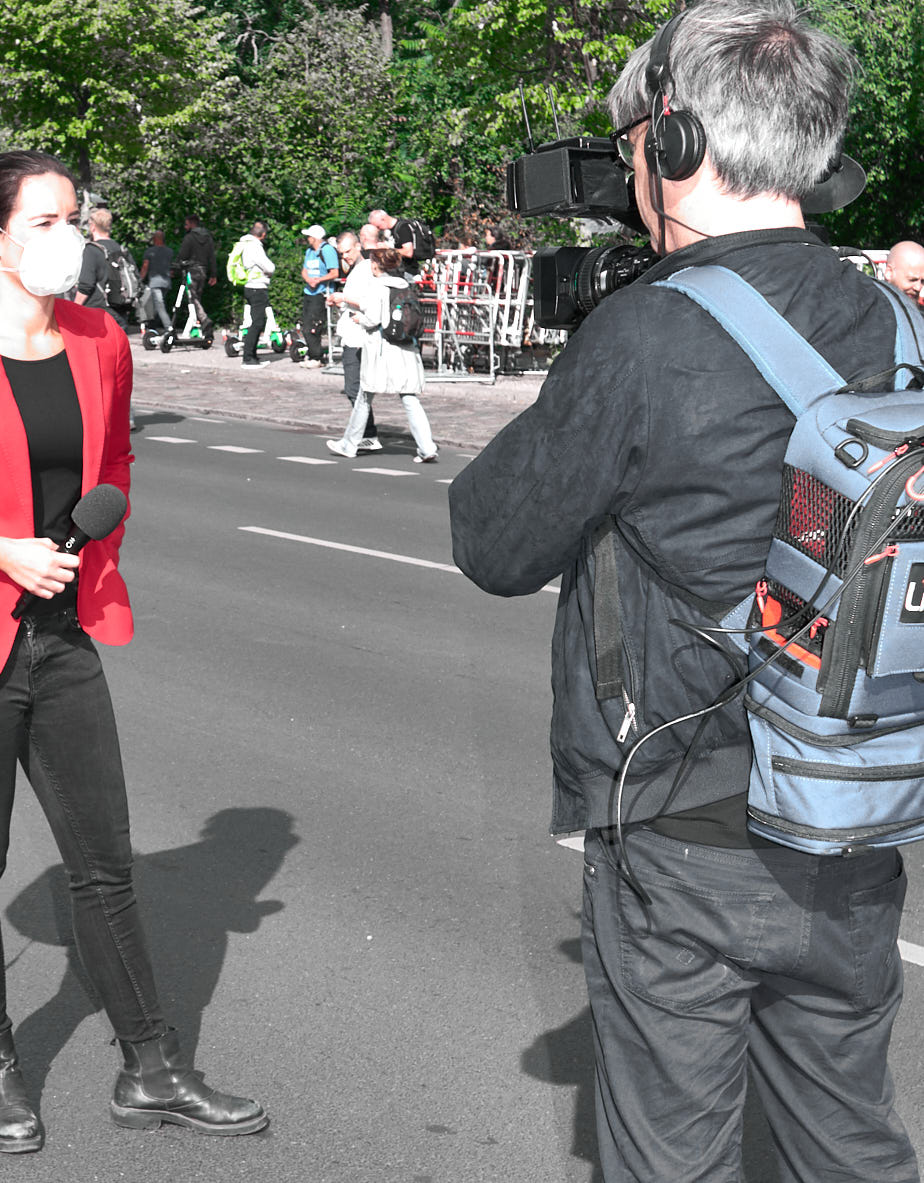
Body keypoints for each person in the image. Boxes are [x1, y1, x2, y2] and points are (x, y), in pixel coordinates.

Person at [448, 4, 920, 1181]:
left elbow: (493, 542)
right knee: (844, 1135)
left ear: (672, 141)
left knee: (672, 1154)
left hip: (684, 815)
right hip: (857, 809)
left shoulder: (645, 333)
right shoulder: (900, 322)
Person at [0, 149, 267, 1154]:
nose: (67, 236)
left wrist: (81, 552)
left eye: (72, 216)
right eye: (43, 221)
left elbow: (114, 458)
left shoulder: (100, 338)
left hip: (63, 641)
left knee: (104, 868)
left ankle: (151, 1068)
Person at [326, 246, 435, 462]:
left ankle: (349, 444)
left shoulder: (378, 286)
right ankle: (426, 447)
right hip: (406, 349)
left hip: (382, 350)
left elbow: (373, 319)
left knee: (364, 397)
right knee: (409, 397)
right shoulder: (405, 284)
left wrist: (359, 320)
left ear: (376, 265)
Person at [326, 231, 380, 450]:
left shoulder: (366, 269)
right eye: (341, 253)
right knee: (358, 389)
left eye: (347, 251)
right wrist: (341, 303)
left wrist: (343, 298)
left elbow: (369, 302)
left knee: (354, 388)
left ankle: (364, 436)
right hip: (353, 334)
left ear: (358, 246)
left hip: (358, 337)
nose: (344, 257)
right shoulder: (358, 270)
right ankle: (367, 434)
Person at [298, 224, 339, 368]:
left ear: (315, 237)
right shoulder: (309, 251)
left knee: (314, 326)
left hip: (321, 292)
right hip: (309, 291)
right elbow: (304, 270)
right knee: (307, 325)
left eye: (309, 236)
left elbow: (334, 272)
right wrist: (308, 279)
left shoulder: (327, 250)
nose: (307, 238)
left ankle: (317, 358)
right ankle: (313, 354)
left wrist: (319, 280)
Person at [237, 221, 275, 368]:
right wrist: (269, 270)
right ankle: (248, 358)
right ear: (263, 234)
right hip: (257, 287)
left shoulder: (245, 243)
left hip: (249, 285)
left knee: (256, 321)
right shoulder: (255, 246)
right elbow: (269, 266)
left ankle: (253, 356)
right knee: (258, 322)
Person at [176, 214, 216, 333]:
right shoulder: (208, 237)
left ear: (193, 224)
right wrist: (213, 274)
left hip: (192, 270)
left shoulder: (189, 238)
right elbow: (212, 257)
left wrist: (176, 268)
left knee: (192, 297)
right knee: (197, 296)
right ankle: (197, 324)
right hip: (203, 271)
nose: (185, 227)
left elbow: (183, 255)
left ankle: (203, 319)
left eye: (186, 224)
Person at [138, 230, 174, 335]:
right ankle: (152, 328)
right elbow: (172, 268)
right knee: (158, 307)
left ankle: (169, 328)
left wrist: (139, 280)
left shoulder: (149, 252)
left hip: (155, 283)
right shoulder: (170, 251)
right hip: (166, 282)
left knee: (159, 306)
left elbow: (145, 267)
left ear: (155, 239)